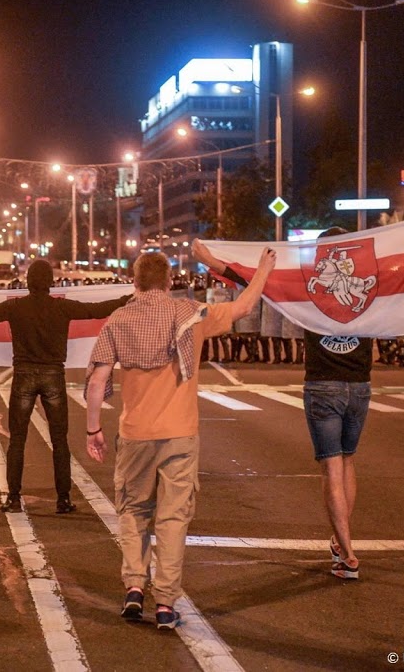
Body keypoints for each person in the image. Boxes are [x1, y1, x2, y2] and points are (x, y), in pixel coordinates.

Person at [85, 248, 276, 630]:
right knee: (173, 519)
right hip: (180, 434)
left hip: (135, 434)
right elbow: (242, 307)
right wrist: (264, 270)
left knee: (134, 511)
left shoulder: (118, 320)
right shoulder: (191, 315)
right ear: (168, 281)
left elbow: (96, 383)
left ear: (136, 281)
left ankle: (134, 588)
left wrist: (93, 430)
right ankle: (167, 604)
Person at [0, 259, 130, 514]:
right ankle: (63, 499)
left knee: (18, 440)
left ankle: (13, 497)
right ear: (51, 282)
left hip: (23, 374)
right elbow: (98, 309)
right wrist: (128, 299)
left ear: (27, 283)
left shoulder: (16, 307)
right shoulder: (62, 307)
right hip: (53, 375)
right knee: (59, 440)